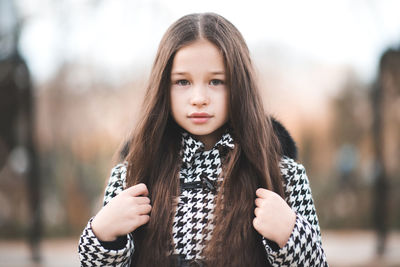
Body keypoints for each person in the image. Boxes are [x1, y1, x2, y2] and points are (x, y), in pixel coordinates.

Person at [78, 12, 328, 267]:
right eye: (183, 81)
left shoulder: (281, 174)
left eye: (216, 81)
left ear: (240, 85)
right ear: (163, 86)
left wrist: (292, 236)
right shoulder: (133, 176)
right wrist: (102, 235)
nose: (199, 97)